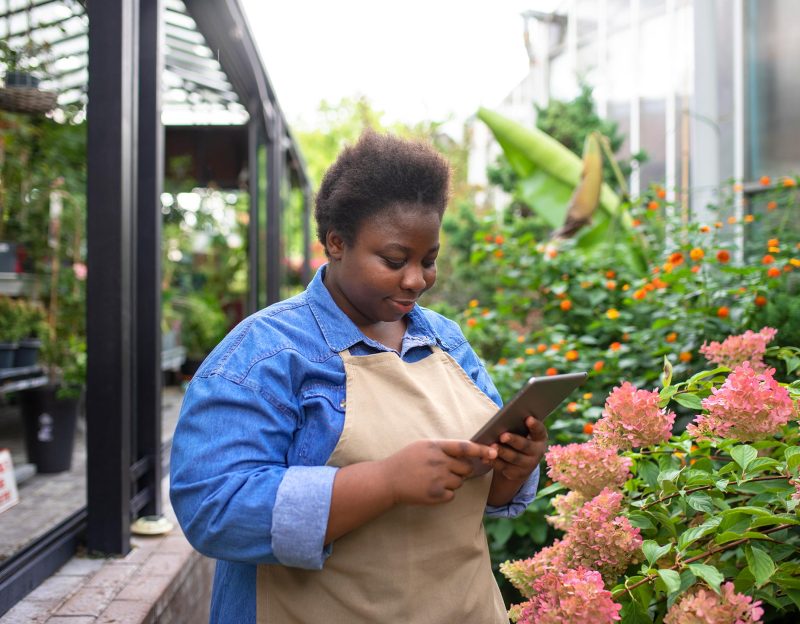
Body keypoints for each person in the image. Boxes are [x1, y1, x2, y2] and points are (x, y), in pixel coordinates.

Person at [170, 131, 547, 624]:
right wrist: (385, 482)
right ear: (336, 243)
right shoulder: (265, 354)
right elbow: (213, 507)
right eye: (394, 261)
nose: (415, 279)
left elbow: (485, 497)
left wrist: (512, 469)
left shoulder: (445, 341)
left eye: (427, 260)